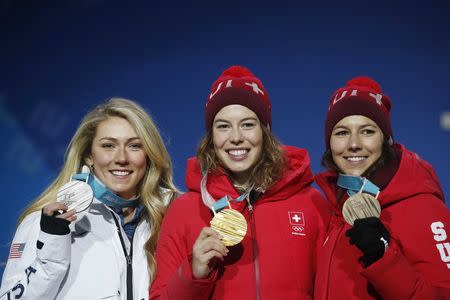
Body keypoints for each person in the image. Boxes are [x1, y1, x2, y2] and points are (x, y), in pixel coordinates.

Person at [149, 65, 330, 299]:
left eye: (247, 124)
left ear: (265, 131)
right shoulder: (184, 210)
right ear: (211, 137)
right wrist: (193, 274)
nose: (236, 138)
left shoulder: (311, 204)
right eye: (223, 126)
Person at [0, 98, 178, 300]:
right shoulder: (46, 224)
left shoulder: (170, 220)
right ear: (89, 156)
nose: (121, 157)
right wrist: (51, 261)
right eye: (109, 145)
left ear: (148, 155)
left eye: (134, 146)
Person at [314, 76, 450, 299]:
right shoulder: (332, 212)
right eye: (341, 132)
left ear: (386, 140)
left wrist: (384, 258)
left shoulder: (423, 206)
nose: (354, 144)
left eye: (367, 131)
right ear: (329, 143)